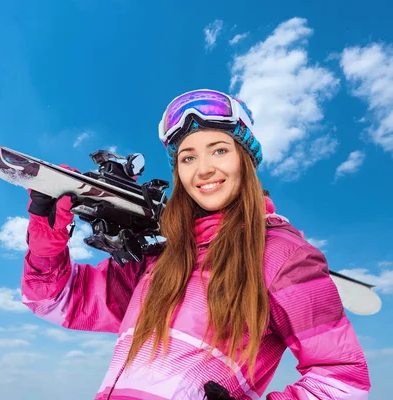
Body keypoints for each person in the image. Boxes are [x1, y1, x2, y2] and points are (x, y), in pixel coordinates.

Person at [21, 89, 371, 399]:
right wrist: (46, 247)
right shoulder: (162, 262)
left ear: (245, 161)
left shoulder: (281, 256)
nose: (203, 169)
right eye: (188, 157)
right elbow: (55, 302)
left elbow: (343, 380)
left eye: (219, 150)